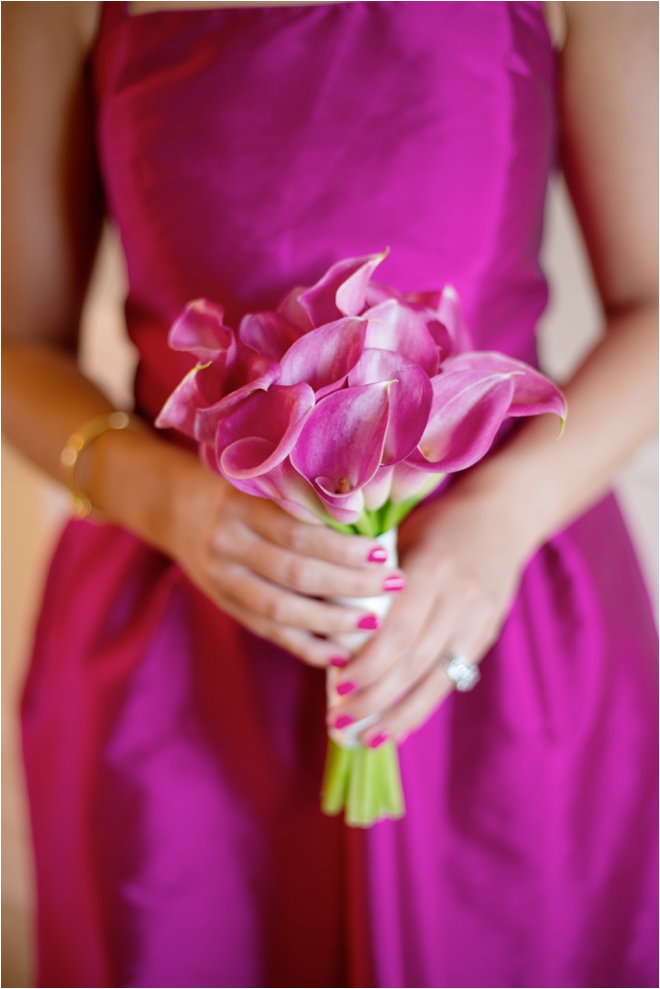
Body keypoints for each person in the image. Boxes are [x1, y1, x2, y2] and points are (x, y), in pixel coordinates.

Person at [3, 2, 657, 986]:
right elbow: (17, 341)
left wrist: (500, 518)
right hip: (182, 635)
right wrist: (170, 502)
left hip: (494, 608)